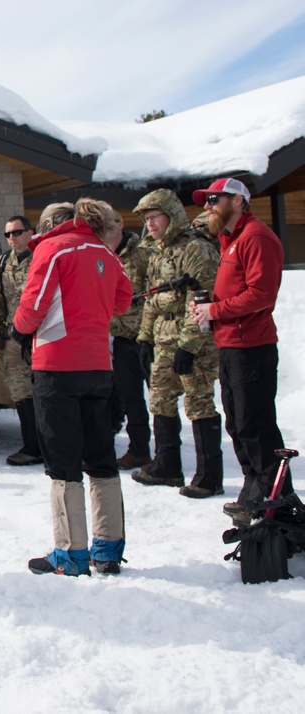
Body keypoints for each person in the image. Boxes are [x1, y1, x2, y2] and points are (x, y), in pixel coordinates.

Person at [13, 198, 133, 576]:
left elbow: (34, 304)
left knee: (63, 461)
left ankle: (70, 552)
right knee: (101, 455)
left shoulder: (53, 248)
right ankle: (109, 547)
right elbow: (124, 300)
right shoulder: (104, 251)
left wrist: (19, 330)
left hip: (58, 364)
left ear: (49, 226)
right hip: (98, 364)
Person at [189, 178, 292, 522]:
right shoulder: (230, 240)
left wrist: (214, 310)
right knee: (239, 422)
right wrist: (208, 306)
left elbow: (261, 294)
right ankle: (256, 488)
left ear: (237, 200)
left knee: (255, 424)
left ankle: (274, 496)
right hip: (231, 345)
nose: (207, 207)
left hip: (253, 347)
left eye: (213, 199)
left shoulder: (256, 237)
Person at [131, 189, 223, 499]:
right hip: (162, 335)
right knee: (159, 399)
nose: (150, 224)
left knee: (198, 402)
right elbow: (153, 297)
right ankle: (167, 466)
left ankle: (209, 476)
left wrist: (189, 345)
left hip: (192, 337)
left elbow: (202, 301)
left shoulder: (196, 249)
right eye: (146, 220)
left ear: (172, 215)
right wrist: (144, 338)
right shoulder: (156, 251)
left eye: (155, 217)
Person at [0, 216, 43, 466]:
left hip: (44, 335)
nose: (12, 238)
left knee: (50, 390)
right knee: (20, 391)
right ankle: (32, 447)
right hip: (15, 336)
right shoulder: (2, 263)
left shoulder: (43, 258)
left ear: (30, 233)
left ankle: (56, 443)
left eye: (17, 232)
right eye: (8, 234)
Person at [105, 212, 152, 470]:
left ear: (121, 225)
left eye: (108, 226)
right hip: (122, 340)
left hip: (148, 338)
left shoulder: (143, 254)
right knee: (131, 398)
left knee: (160, 400)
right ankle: (139, 451)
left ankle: (169, 457)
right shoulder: (102, 257)